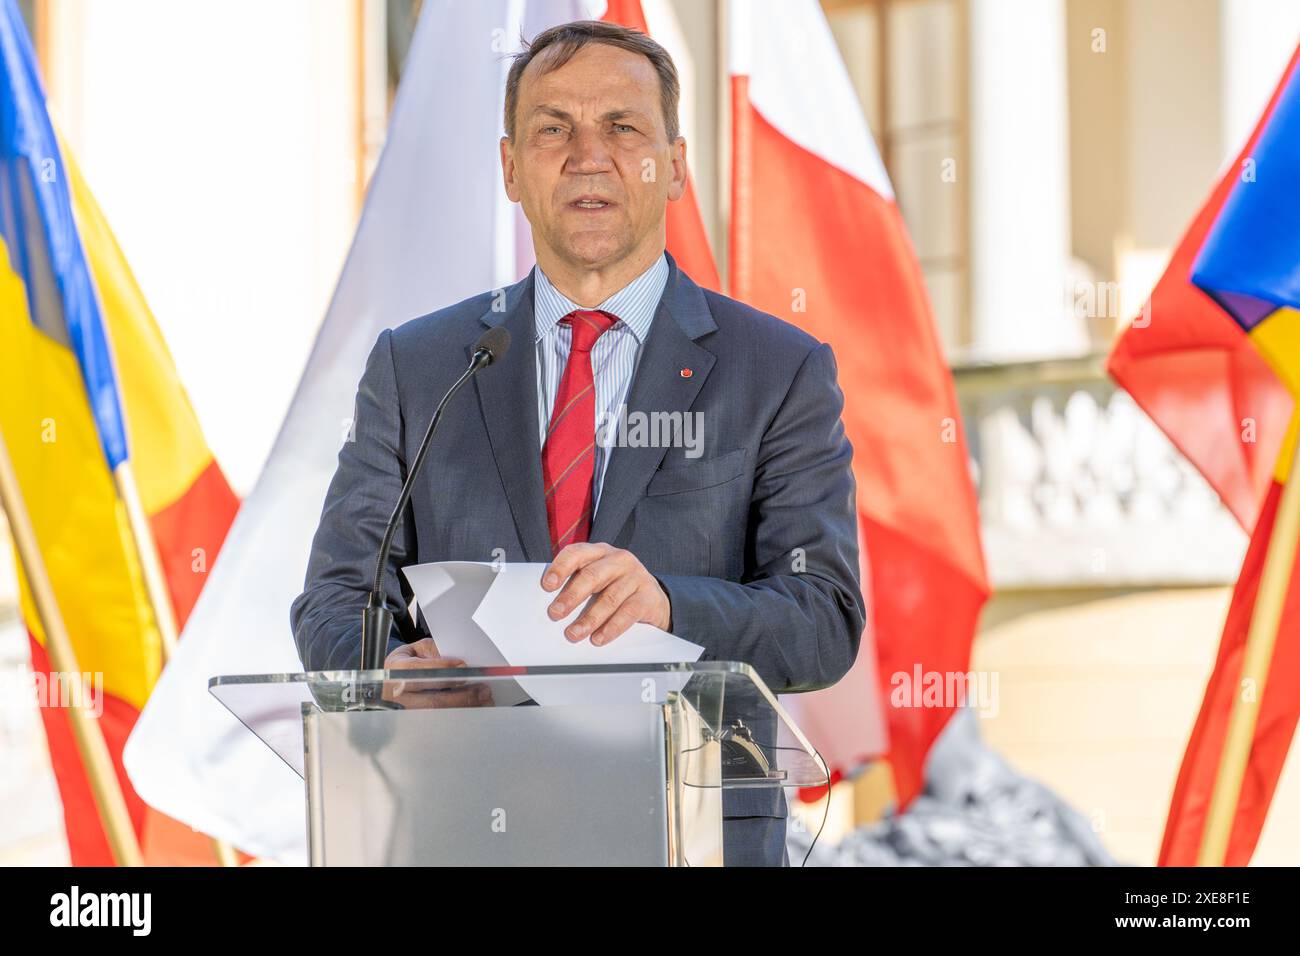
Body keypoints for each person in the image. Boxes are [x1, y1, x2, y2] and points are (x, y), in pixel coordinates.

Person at [291, 19, 865, 866]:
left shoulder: (776, 371)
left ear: (673, 165)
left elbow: (824, 618)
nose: (587, 155)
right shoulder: (418, 367)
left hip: (693, 833)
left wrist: (668, 608)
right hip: (464, 830)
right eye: (553, 128)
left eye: (622, 127)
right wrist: (388, 670)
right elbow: (333, 603)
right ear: (512, 169)